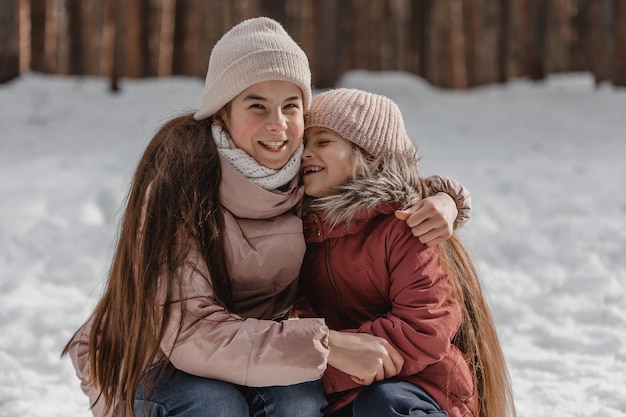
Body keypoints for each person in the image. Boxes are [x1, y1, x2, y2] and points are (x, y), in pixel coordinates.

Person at [62, 18, 471, 417]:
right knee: (214, 406)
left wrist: (444, 198)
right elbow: (189, 330)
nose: (277, 125)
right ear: (222, 113)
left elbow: (375, 176)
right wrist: (327, 346)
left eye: (290, 106)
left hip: (260, 354)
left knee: (299, 402)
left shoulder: (301, 172)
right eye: (257, 105)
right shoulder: (179, 180)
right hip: (160, 356)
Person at [297, 88, 516, 417]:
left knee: (383, 404)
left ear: (368, 156)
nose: (305, 154)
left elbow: (425, 326)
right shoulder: (301, 232)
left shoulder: (403, 227)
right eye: (303, 143)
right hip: (345, 392)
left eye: (323, 141)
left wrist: (326, 365)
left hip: (423, 386)